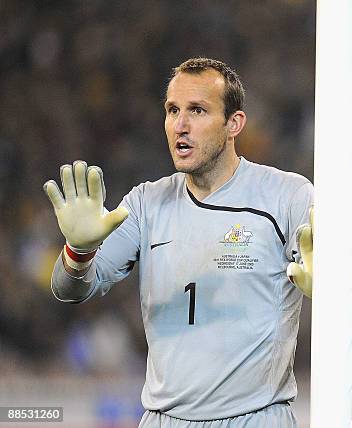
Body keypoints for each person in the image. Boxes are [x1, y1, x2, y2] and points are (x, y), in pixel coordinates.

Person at [43, 57, 313, 428]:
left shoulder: (287, 196)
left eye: (198, 110)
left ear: (234, 123)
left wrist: (335, 290)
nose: (180, 125)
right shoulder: (144, 204)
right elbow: (68, 289)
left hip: (255, 419)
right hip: (163, 420)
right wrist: (78, 250)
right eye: (173, 110)